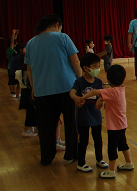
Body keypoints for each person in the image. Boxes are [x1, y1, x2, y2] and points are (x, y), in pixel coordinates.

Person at [25, 14, 81, 165]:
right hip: (66, 88)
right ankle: (71, 155)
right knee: (71, 123)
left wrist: (33, 87)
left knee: (46, 126)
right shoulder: (62, 37)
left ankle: (47, 157)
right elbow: (75, 60)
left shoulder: (30, 43)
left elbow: (29, 69)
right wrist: (80, 79)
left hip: (42, 90)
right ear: (57, 25)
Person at [81, 64, 134, 179]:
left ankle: (111, 171)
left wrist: (83, 98)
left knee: (112, 148)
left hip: (114, 127)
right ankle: (129, 163)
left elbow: (95, 92)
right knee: (123, 144)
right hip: (122, 124)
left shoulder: (111, 92)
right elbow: (103, 96)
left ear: (109, 80)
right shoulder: (120, 90)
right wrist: (100, 100)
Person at [70, 53, 108, 173]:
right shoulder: (80, 82)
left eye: (98, 66)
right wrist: (76, 98)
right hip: (83, 116)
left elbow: (101, 95)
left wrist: (100, 101)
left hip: (96, 115)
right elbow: (71, 92)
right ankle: (81, 163)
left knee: (98, 139)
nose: (98, 69)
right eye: (95, 66)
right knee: (84, 140)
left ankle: (99, 159)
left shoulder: (98, 82)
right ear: (86, 68)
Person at [16, 53, 37, 137]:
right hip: (29, 92)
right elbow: (30, 83)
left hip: (24, 93)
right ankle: (27, 130)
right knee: (31, 113)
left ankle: (32, 128)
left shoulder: (18, 72)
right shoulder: (28, 73)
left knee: (29, 112)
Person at [6, 29, 20, 98]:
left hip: (12, 67)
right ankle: (13, 92)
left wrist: (16, 35)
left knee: (13, 80)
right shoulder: (10, 49)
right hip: (11, 67)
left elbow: (14, 41)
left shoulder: (13, 48)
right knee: (13, 81)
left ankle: (13, 92)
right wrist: (13, 33)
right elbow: (12, 41)